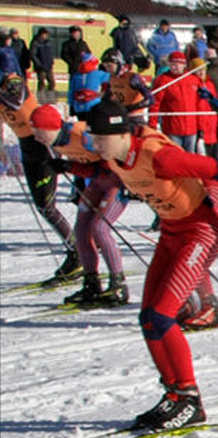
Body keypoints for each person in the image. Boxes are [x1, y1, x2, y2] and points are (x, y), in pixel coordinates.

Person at [84, 98, 218, 431]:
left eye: (100, 138)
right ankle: (174, 395)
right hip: (171, 233)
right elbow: (90, 163)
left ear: (120, 134)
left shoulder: (160, 157)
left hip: (200, 231)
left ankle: (191, 399)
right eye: (93, 139)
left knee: (163, 316)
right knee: (148, 319)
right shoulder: (114, 155)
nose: (96, 145)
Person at [30, 104, 128, 307]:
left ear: (51, 128)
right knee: (82, 230)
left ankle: (118, 284)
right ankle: (91, 283)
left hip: (116, 180)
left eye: (40, 134)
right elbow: (90, 170)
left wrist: (131, 179)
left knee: (100, 228)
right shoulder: (55, 142)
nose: (38, 139)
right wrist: (68, 167)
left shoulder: (82, 134)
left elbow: (112, 157)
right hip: (98, 182)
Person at [0, 74, 80, 285]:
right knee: (43, 206)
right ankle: (75, 251)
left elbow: (17, 100)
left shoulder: (11, 79)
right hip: (26, 147)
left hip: (42, 142)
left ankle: (77, 253)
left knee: (47, 206)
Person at [149, 51, 201, 153]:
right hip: (172, 129)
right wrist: (152, 123)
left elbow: (200, 103)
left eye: (177, 64)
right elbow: (155, 103)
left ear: (184, 65)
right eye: (172, 64)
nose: (175, 67)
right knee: (176, 157)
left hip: (191, 128)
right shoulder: (163, 80)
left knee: (191, 159)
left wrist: (201, 125)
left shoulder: (193, 80)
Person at [100, 48, 154, 124]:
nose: (108, 69)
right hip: (120, 115)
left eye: (110, 66)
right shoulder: (111, 78)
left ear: (118, 64)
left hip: (135, 117)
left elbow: (150, 99)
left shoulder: (132, 78)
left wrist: (132, 107)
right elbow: (108, 96)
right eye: (105, 66)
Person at [31, 28, 56, 93]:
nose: (46, 36)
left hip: (48, 66)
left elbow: (50, 53)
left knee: (52, 82)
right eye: (44, 34)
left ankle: (50, 97)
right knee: (42, 83)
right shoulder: (35, 43)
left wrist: (51, 61)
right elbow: (33, 55)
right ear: (41, 34)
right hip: (41, 67)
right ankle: (41, 99)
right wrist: (38, 64)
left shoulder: (48, 43)